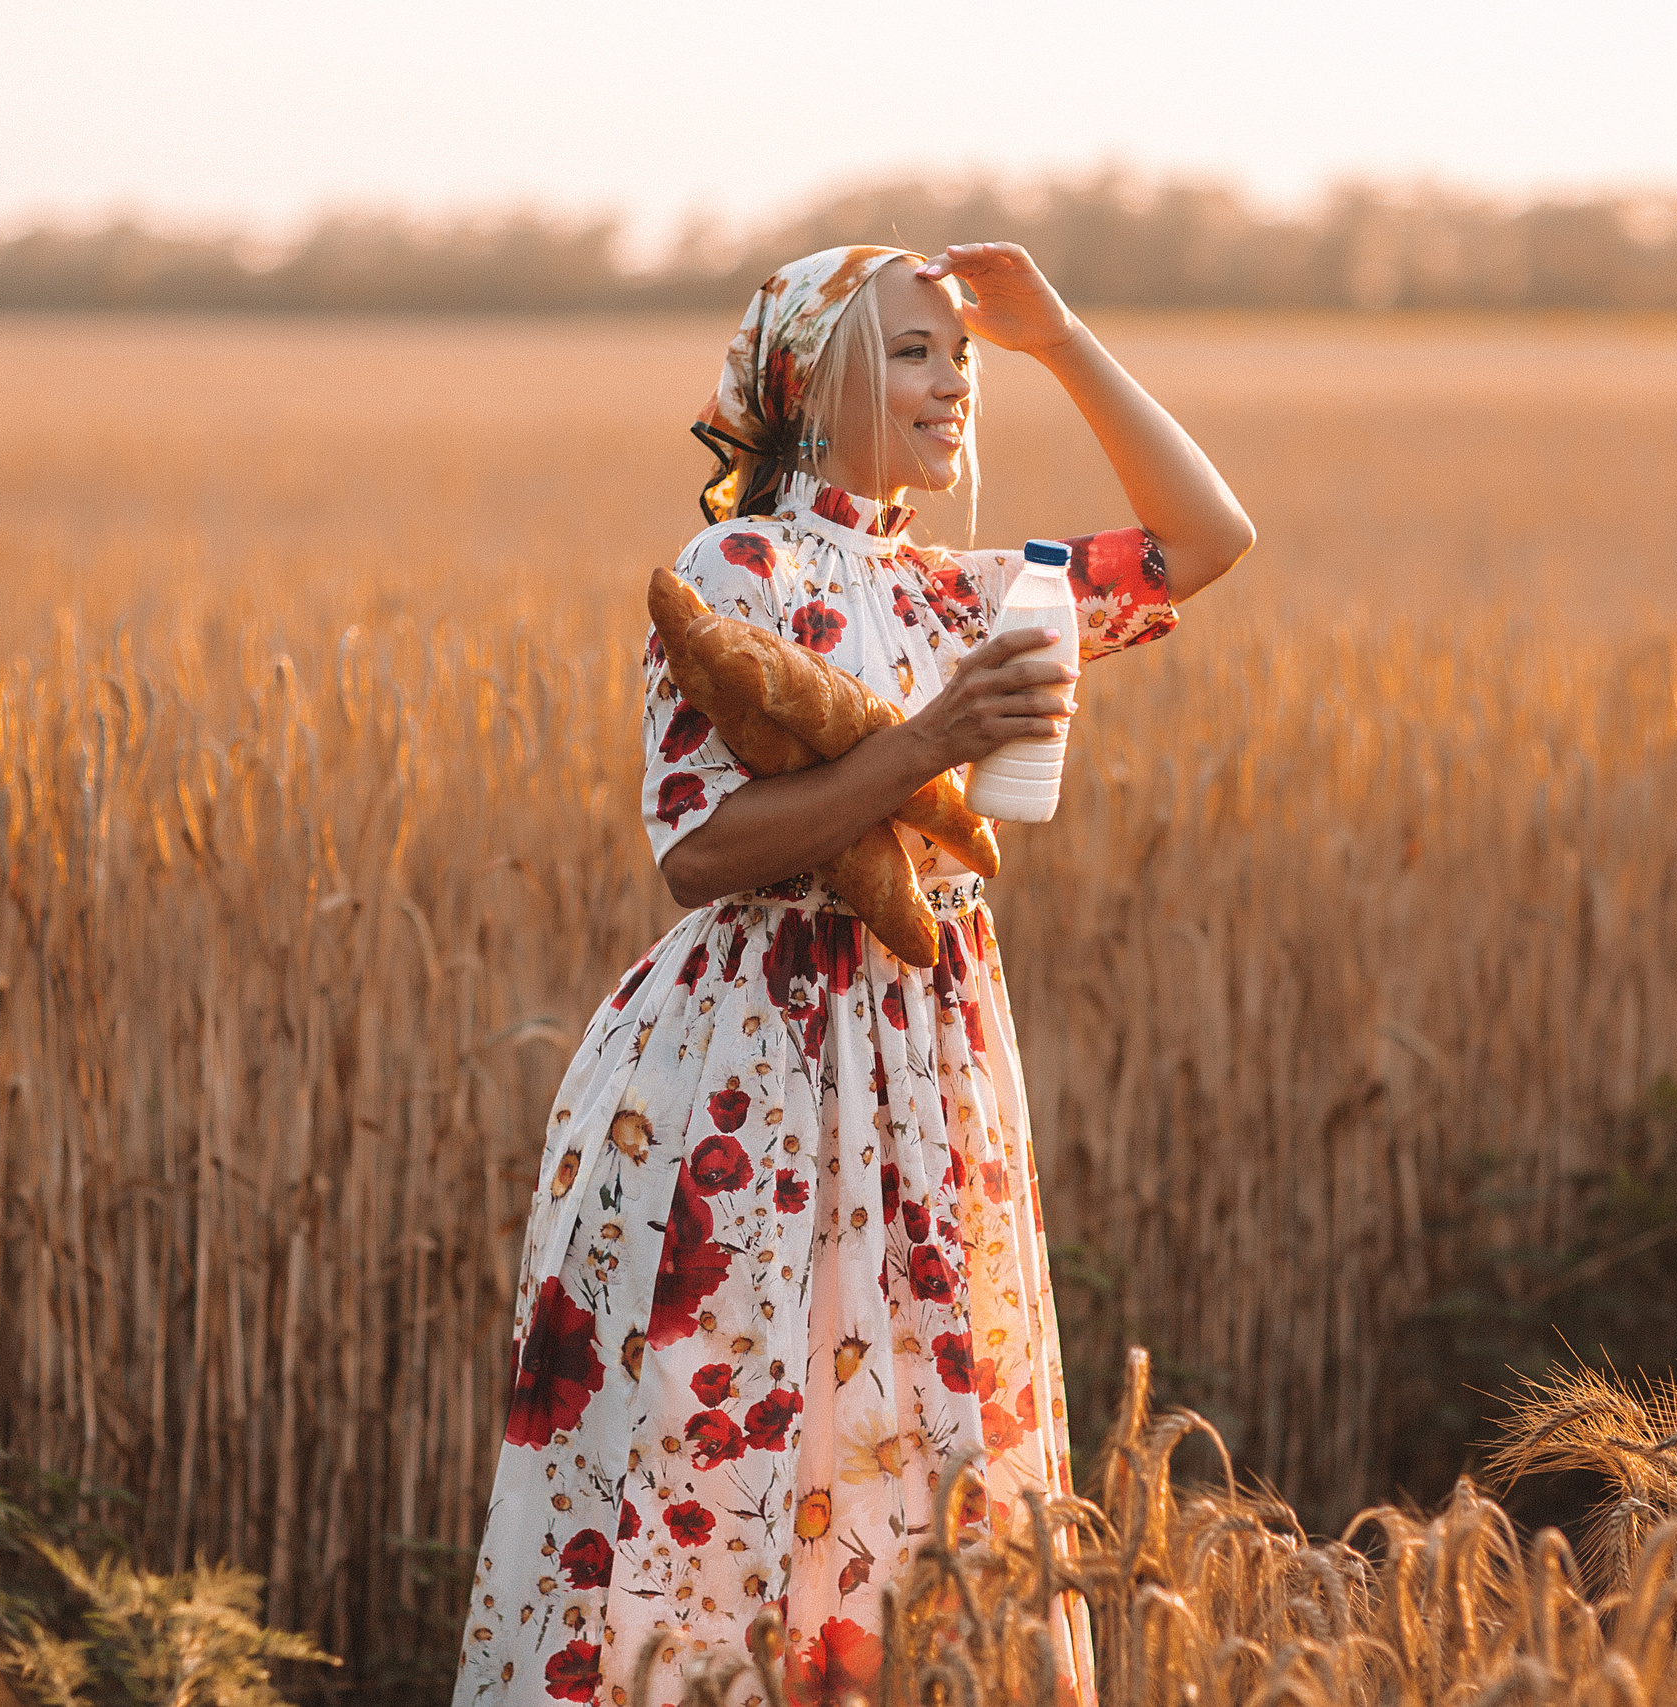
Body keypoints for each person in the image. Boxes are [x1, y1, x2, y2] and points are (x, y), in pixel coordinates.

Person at [452, 243, 1254, 1707]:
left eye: (961, 357)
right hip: (749, 1072)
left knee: (919, 1452)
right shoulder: (729, 570)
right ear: (806, 388)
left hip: (925, 1070)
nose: (956, 381)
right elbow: (700, 855)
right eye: (912, 352)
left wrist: (1061, 338)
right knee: (731, 1439)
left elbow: (1207, 541)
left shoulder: (972, 589)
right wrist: (928, 743)